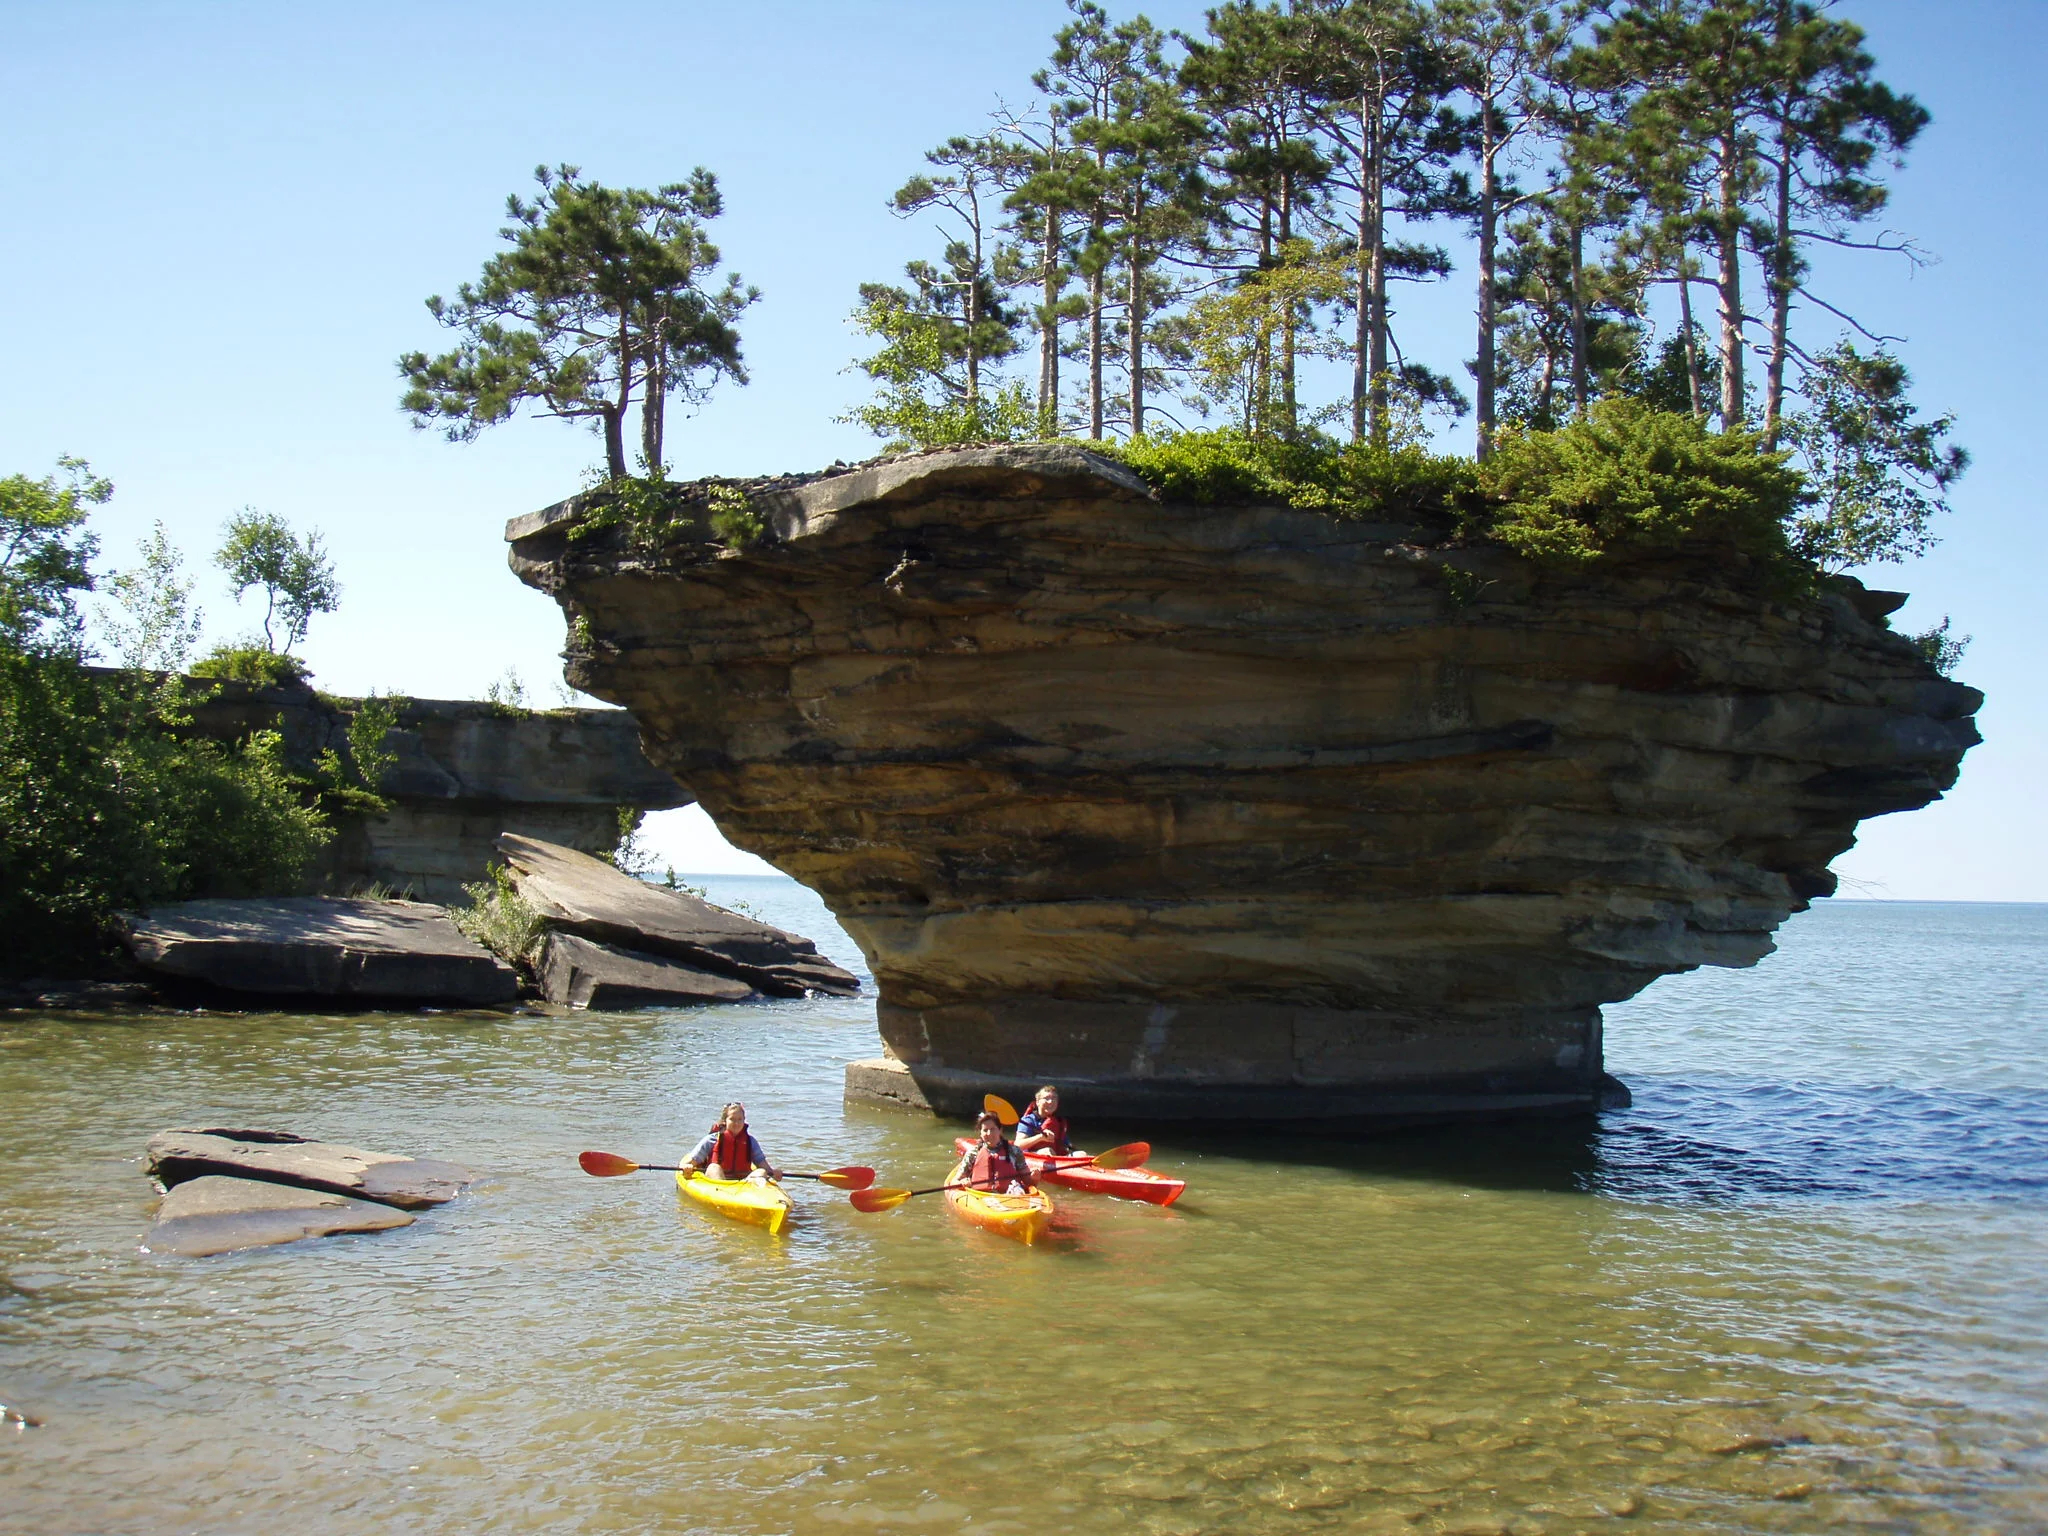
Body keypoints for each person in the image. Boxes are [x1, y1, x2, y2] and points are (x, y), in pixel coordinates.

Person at [685, 1102, 781, 1182]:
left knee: (761, 1171)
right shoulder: (712, 1140)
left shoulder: (750, 1141)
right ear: (725, 1121)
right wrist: (687, 1167)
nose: (736, 1123)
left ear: (744, 1121)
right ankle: (723, 1194)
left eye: (740, 1119)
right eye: (732, 1119)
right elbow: (690, 1162)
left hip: (743, 1182)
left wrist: (773, 1173)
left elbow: (763, 1165)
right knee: (714, 1167)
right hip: (717, 1182)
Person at [952, 1110, 1035, 1195]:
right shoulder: (973, 1153)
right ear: (980, 1133)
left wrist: (1035, 1177)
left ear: (1000, 1130)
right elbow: (954, 1181)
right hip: (980, 1196)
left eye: (993, 1129)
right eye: (985, 1130)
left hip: (1009, 1195)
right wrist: (962, 1182)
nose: (989, 1133)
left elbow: (1028, 1182)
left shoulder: (1015, 1151)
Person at [1013, 1084, 1072, 1156]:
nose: (1050, 1101)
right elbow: (1017, 1145)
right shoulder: (1028, 1120)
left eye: (1054, 1098)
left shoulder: (1059, 1122)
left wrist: (1071, 1150)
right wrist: (1040, 1137)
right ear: (1037, 1102)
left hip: (1057, 1157)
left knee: (1080, 1154)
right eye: (1046, 1098)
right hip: (1033, 1156)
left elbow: (1067, 1147)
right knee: (1047, 1151)